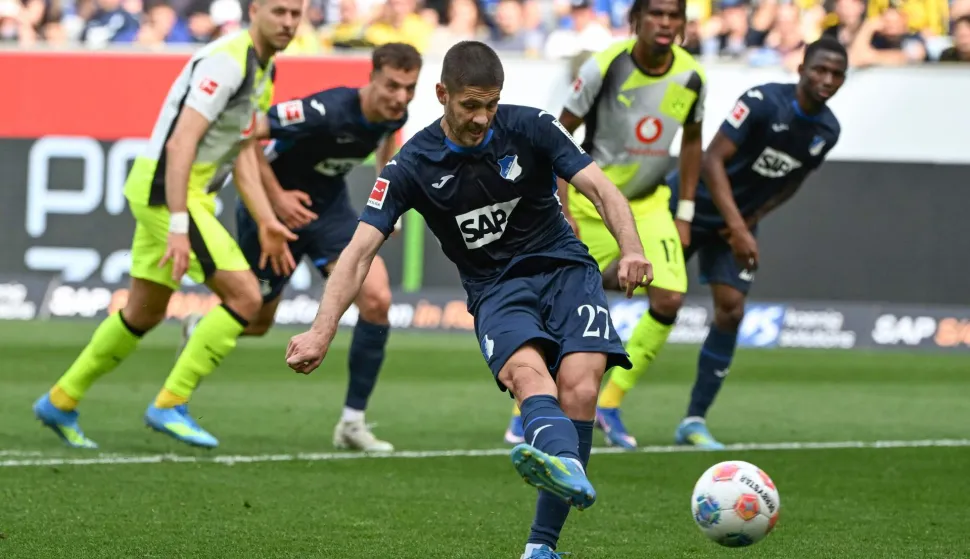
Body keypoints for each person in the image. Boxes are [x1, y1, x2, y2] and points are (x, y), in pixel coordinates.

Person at [284, 41, 652, 559]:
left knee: (581, 386)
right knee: (527, 378)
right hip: (495, 288)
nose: (482, 118)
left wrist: (631, 248)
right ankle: (563, 472)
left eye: (491, 105)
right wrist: (322, 331)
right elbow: (358, 252)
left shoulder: (532, 126)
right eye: (470, 105)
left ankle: (542, 539)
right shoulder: (410, 165)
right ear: (443, 95)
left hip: (564, 268)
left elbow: (601, 189)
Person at [32, 0, 304, 450]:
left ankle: (60, 401)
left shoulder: (264, 69)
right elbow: (180, 144)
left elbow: (241, 152)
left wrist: (267, 219)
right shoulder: (228, 61)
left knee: (143, 312)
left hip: (181, 195)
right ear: (254, 10)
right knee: (246, 296)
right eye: (279, 11)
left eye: (296, 13)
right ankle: (170, 403)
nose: (289, 22)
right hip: (169, 194)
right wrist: (178, 225)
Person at [180, 42, 422, 452]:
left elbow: (387, 148)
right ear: (372, 77)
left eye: (409, 88)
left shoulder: (393, 114)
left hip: (328, 210)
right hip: (272, 213)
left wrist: (390, 203)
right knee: (256, 320)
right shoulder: (325, 110)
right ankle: (201, 329)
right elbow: (248, 132)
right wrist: (276, 200)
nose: (400, 97)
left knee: (377, 300)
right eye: (392, 86)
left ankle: (352, 423)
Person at [502, 0, 706, 450]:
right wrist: (562, 208)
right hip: (592, 203)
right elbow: (558, 133)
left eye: (673, 15)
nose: (665, 23)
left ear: (683, 23)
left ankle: (609, 403)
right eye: (656, 14)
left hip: (649, 206)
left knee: (670, 297)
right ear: (636, 19)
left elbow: (692, 141)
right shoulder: (604, 66)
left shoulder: (692, 76)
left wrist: (685, 211)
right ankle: (526, 408)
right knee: (559, 306)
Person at [664, 37, 846, 449]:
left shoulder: (828, 130)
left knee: (731, 310)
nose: (827, 79)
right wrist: (739, 226)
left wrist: (749, 220)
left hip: (736, 223)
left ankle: (693, 420)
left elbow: (793, 180)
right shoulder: (763, 102)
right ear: (801, 69)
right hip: (690, 205)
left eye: (837, 74)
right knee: (635, 285)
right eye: (820, 70)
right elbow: (711, 159)